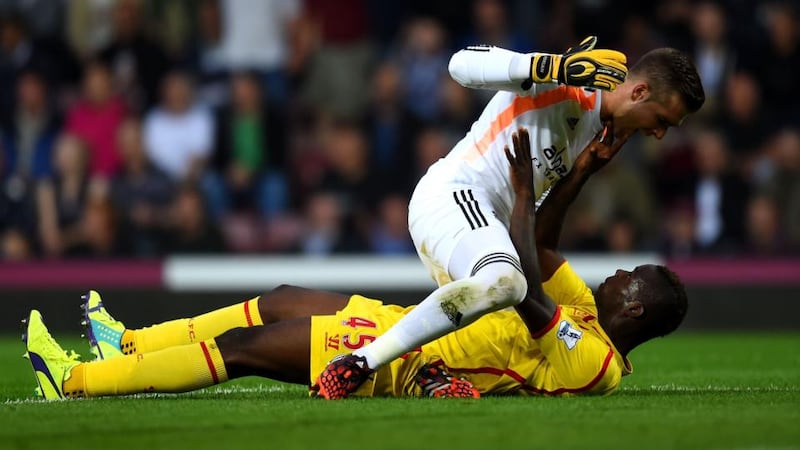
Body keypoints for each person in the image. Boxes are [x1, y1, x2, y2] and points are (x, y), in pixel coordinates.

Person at [23, 129, 688, 400]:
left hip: (407, 363)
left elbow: (520, 279)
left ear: (634, 308)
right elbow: (540, 246)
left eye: (629, 279)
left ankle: (76, 381)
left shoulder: (596, 364)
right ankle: (127, 343)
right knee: (282, 296)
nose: (614, 276)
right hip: (408, 324)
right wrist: (581, 174)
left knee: (248, 349)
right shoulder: (581, 310)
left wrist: (518, 191)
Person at [315, 37, 704, 398]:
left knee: (507, 328)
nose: (658, 134)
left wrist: (582, 173)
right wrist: (551, 66)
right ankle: (358, 362)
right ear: (638, 92)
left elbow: (537, 233)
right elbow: (460, 64)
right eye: (663, 120)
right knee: (508, 281)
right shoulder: (566, 84)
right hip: (454, 196)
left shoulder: (594, 134)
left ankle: (435, 377)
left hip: (485, 228)